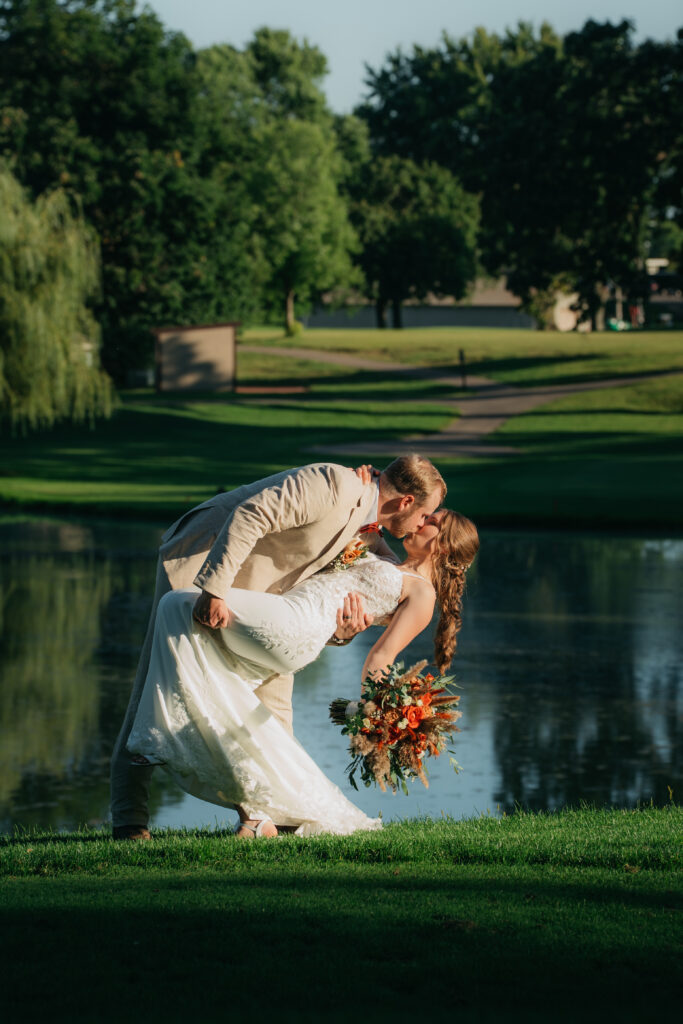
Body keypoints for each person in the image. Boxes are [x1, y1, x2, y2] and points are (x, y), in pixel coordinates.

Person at [111, 455, 447, 839]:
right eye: (426, 513)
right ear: (405, 501)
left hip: (272, 603)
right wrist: (215, 588)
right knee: (156, 685)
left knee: (274, 705)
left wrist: (345, 631)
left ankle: (275, 816)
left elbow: (336, 589)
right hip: (205, 555)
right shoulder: (335, 484)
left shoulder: (369, 523)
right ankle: (129, 820)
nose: (423, 522)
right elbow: (252, 514)